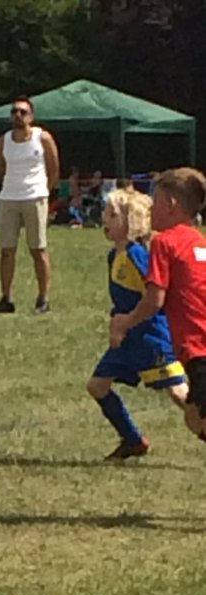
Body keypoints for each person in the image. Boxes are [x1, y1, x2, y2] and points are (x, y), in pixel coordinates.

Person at [87, 187, 187, 460]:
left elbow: (156, 296)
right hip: (128, 338)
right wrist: (116, 325)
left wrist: (128, 322)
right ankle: (133, 440)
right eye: (106, 214)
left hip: (150, 335)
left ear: (131, 222)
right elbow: (121, 299)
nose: (105, 219)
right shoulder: (114, 256)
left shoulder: (137, 255)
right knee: (97, 385)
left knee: (179, 393)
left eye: (112, 215)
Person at [110, 167, 206, 443]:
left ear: (170, 204)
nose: (149, 207)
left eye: (154, 200)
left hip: (197, 347)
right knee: (193, 414)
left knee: (196, 417)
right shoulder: (200, 242)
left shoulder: (164, 243)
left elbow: (154, 300)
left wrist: (125, 321)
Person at [0, 96, 60, 314]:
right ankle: (6, 298)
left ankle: (43, 298)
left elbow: (54, 168)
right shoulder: (4, 140)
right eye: (14, 112)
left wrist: (45, 191)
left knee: (38, 249)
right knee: (6, 250)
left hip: (36, 197)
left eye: (22, 112)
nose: (18, 116)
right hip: (9, 198)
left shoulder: (43, 138)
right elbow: (2, 168)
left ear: (31, 116)